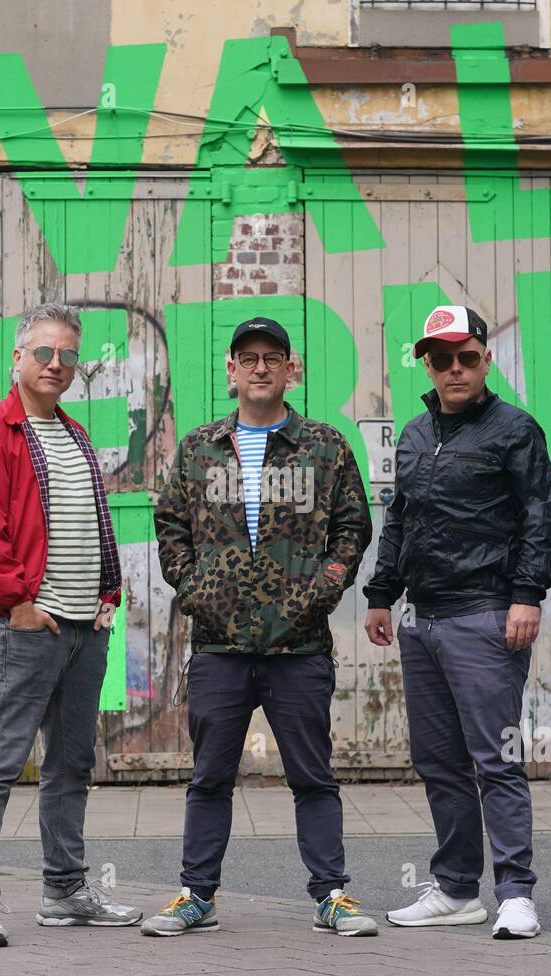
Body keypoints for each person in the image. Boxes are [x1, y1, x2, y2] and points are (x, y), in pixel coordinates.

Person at [142, 316, 376, 937]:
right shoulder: (198, 449)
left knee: (312, 776)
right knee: (210, 777)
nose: (261, 367)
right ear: (231, 369)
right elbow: (171, 527)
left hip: (299, 645)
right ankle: (197, 895)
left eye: (273, 357)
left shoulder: (324, 446)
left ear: (290, 368)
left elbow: (353, 527)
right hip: (221, 645)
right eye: (248, 357)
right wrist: (196, 592)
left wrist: (319, 592)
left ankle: (331, 895)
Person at [363, 305, 551, 938]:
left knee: (495, 759)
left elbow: (539, 516)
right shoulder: (417, 434)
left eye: (466, 357)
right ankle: (455, 889)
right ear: (427, 364)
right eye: (441, 358)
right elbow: (399, 520)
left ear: (486, 359)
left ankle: (517, 894)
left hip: (486, 614)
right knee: (439, 761)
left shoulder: (515, 430)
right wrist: (380, 593)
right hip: (422, 620)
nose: (454, 369)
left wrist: (527, 595)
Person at [0, 302, 140, 946]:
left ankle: (63, 890)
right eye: (43, 353)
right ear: (18, 357)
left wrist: (107, 593)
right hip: (25, 628)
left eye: (67, 356)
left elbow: (89, 525)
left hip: (87, 630)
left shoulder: (74, 432)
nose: (56, 365)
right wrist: (17, 602)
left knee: (71, 764)